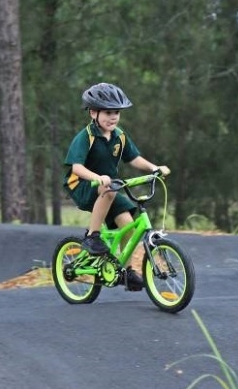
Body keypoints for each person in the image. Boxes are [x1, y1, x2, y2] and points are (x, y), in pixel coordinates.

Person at [62, 82, 170, 290]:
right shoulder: (86, 137)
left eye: (117, 112)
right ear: (93, 113)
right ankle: (92, 236)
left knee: (128, 224)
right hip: (83, 185)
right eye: (108, 112)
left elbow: (134, 158)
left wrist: (154, 168)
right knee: (109, 190)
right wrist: (98, 177)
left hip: (108, 187)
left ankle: (125, 271)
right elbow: (76, 168)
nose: (113, 117)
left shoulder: (119, 136)